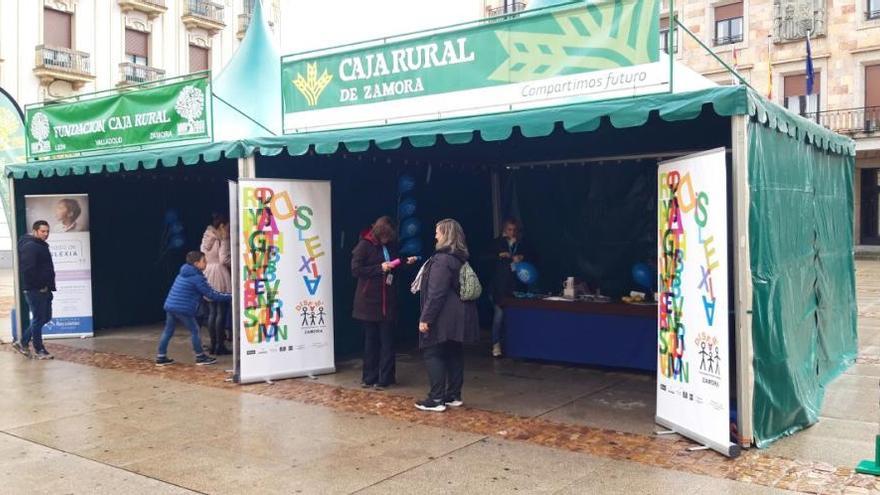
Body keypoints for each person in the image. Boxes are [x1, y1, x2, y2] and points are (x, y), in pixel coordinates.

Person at [413, 218, 479, 412]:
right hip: (460, 315)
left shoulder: (441, 260)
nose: (435, 235)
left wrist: (426, 318)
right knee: (454, 353)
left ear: (446, 235)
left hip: (445, 317)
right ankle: (453, 395)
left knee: (432, 351)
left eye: (438, 232)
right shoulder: (459, 258)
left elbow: (436, 293)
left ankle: (436, 399)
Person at [351, 216, 416, 389]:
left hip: (388, 300)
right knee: (371, 341)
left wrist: (405, 262)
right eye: (386, 237)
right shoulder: (364, 246)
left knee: (387, 341)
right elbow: (356, 269)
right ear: (380, 234)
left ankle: (385, 378)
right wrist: (379, 268)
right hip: (369, 301)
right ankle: (369, 377)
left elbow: (395, 264)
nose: (388, 240)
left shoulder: (391, 246)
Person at [156, 251, 231, 366]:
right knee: (195, 330)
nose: (206, 263)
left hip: (170, 305)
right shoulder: (197, 278)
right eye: (204, 261)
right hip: (183, 308)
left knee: (168, 331)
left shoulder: (184, 272)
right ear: (196, 264)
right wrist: (231, 296)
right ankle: (200, 357)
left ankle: (161, 357)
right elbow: (211, 294)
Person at [488, 218, 534, 358]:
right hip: (498, 287)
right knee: (499, 316)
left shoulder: (521, 243)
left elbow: (533, 257)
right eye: (509, 229)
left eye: (514, 230)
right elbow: (485, 257)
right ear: (504, 229)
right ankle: (496, 345)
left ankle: (513, 345)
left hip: (514, 287)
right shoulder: (497, 243)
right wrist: (499, 255)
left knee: (514, 317)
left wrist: (522, 257)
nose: (512, 232)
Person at [13, 221, 56, 360]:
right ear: (35, 231)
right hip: (35, 290)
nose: (46, 234)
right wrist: (40, 286)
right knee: (38, 319)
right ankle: (39, 350)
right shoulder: (31, 246)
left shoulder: (39, 245)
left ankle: (23, 342)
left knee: (45, 317)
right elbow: (28, 270)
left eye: (47, 231)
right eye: (43, 231)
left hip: (44, 289)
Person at [200, 213, 232, 355]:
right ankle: (220, 345)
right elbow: (224, 259)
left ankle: (214, 345)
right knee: (221, 311)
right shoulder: (220, 239)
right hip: (219, 274)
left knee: (212, 311)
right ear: (221, 226)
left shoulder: (206, 236)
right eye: (227, 226)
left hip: (208, 272)